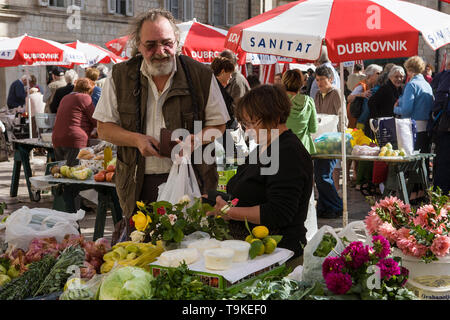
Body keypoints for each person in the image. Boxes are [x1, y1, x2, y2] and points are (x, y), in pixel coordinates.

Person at [93, 9, 230, 237]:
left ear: (177, 41)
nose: (160, 51)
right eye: (151, 45)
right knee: (143, 251)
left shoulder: (200, 75)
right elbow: (104, 128)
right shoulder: (120, 76)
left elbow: (219, 125)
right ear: (138, 45)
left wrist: (194, 141)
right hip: (138, 184)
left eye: (167, 43)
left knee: (189, 251)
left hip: (192, 181)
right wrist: (136, 139)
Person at [206, 84, 313, 266]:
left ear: (276, 116)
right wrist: (212, 197)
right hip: (257, 251)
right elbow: (250, 192)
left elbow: (278, 212)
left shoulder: (288, 152)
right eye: (244, 123)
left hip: (280, 254)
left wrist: (228, 212)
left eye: (251, 123)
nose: (247, 130)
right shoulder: (264, 147)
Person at [282, 69, 318, 241]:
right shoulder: (309, 101)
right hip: (304, 150)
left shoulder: (280, 102)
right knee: (305, 193)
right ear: (302, 83)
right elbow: (313, 129)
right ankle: (307, 228)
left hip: (282, 150)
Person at [313, 65, 345, 219]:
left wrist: (340, 139)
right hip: (319, 141)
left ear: (330, 79)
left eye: (322, 80)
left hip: (332, 141)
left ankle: (337, 205)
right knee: (320, 175)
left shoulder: (336, 93)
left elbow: (342, 118)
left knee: (323, 176)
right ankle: (325, 207)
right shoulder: (317, 95)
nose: (319, 83)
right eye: (317, 80)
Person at [52, 78, 97, 166]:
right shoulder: (84, 97)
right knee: (75, 173)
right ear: (89, 90)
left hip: (57, 139)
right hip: (74, 139)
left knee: (62, 172)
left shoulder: (65, 97)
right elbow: (95, 119)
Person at [394, 56, 434, 154]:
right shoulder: (427, 85)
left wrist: (395, 109)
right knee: (423, 162)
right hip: (427, 127)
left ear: (410, 70)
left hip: (413, 128)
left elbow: (406, 110)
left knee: (413, 164)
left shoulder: (412, 85)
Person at [430, 64, 450, 195]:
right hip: (445, 128)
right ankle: (439, 199)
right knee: (443, 163)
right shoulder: (446, 77)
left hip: (444, 128)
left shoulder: (444, 76)